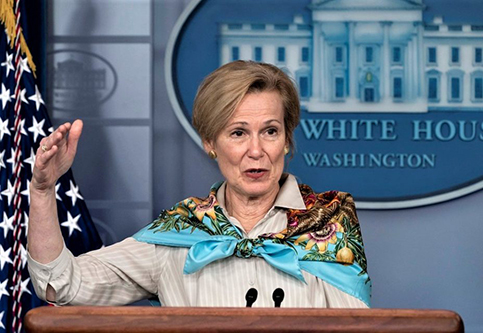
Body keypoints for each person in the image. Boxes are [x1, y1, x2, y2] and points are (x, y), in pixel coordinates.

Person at [28, 60, 371, 308]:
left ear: (286, 139)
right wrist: (43, 192)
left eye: (270, 131)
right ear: (210, 142)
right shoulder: (179, 230)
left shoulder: (329, 223)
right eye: (238, 133)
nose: (256, 150)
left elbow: (359, 331)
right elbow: (60, 285)